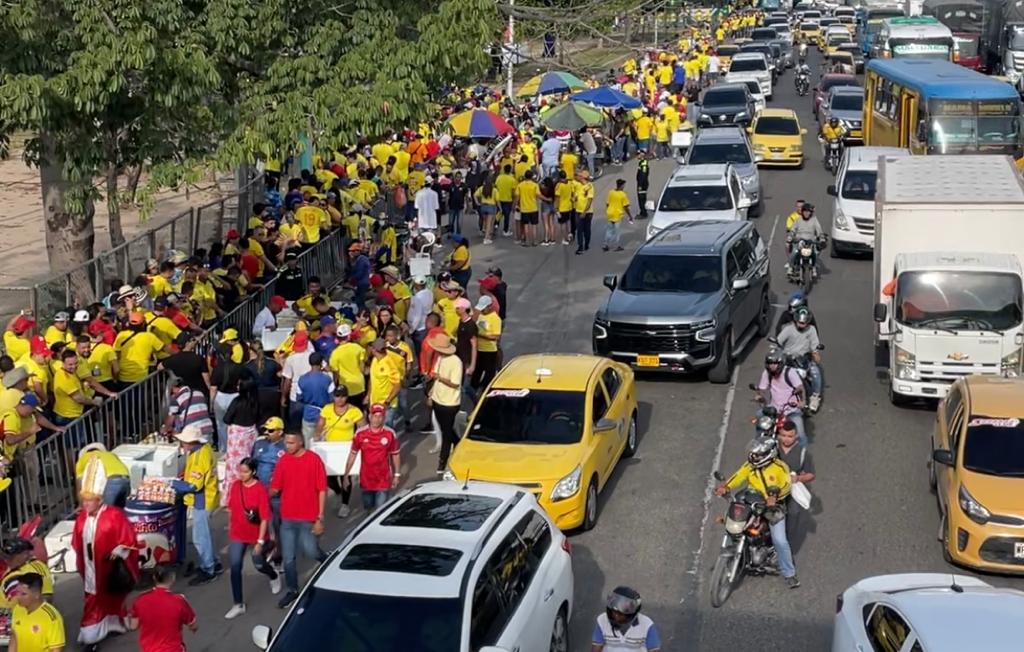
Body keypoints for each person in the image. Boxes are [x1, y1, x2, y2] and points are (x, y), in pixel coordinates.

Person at [71, 456, 140, 651]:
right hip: (91, 567)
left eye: (89, 501)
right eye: (83, 501)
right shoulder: (81, 518)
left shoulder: (114, 515)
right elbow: (77, 541)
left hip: (108, 568)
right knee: (93, 598)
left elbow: (129, 540)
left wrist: (118, 553)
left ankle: (95, 634)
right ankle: (92, 633)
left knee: (110, 597)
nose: (85, 505)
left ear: (99, 499)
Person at [715, 437, 800, 588]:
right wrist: (726, 487)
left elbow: (787, 486)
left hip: (773, 507)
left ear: (769, 454)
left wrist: (775, 497)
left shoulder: (780, 467)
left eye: (758, 454)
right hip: (752, 500)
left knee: (780, 540)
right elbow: (739, 475)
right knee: (734, 522)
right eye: (754, 453)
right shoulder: (750, 465)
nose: (754, 457)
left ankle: (789, 573)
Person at [269, 432, 327, 608]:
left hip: (308, 517)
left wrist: (320, 518)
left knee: (311, 551)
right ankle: (293, 590)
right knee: (288, 558)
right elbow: (276, 487)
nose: (287, 446)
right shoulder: (284, 461)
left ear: (301, 442)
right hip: (288, 517)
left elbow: (322, 489)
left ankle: (327, 561)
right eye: (286, 442)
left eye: (291, 442)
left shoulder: (313, 460)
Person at [224, 457, 281, 619]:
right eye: (240, 471)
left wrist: (260, 541)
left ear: (253, 472)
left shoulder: (260, 490)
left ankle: (273, 575)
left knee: (259, 564)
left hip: (256, 535)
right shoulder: (235, 486)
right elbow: (231, 509)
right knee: (235, 568)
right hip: (237, 534)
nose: (241, 475)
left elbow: (264, 518)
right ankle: (238, 604)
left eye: (245, 471)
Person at [170, 425, 221, 585]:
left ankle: (208, 569)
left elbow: (194, 486)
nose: (182, 444)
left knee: (200, 537)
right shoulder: (201, 450)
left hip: (202, 499)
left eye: (184, 441)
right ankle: (213, 562)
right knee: (206, 534)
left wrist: (173, 484)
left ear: (191, 442)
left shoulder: (200, 456)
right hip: (207, 497)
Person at [315, 386, 364, 518]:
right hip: (330, 448)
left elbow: (362, 427)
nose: (340, 399)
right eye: (337, 396)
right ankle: (338, 492)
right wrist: (318, 435)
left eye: (342, 396)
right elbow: (320, 424)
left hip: (346, 448)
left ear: (347, 397)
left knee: (345, 477)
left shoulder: (354, 411)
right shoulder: (327, 409)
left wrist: (359, 440)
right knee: (327, 477)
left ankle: (345, 504)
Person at [341, 404, 400, 512]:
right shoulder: (360, 434)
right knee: (368, 507)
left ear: (384, 418)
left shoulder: (390, 434)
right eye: (374, 416)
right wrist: (346, 475)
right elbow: (352, 454)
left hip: (383, 479)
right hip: (366, 479)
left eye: (380, 416)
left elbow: (395, 454)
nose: (377, 419)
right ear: (369, 417)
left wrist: (396, 475)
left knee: (380, 510)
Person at [126, 565, 197, 652]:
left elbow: (133, 626)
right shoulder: (178, 600)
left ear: (154, 578)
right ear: (173, 577)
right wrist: (193, 628)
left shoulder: (139, 601)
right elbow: (192, 623)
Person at [427, 333, 463, 475]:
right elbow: (435, 377)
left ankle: (442, 462)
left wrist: (440, 378)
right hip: (438, 399)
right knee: (445, 428)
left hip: (450, 402)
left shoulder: (456, 362)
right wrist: (431, 394)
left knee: (446, 433)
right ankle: (459, 444)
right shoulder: (441, 358)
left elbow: (455, 383)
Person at [222, 380, 263, 505]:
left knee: (232, 467)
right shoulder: (256, 403)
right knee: (246, 462)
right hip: (249, 434)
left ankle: (230, 497)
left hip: (236, 437)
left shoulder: (237, 401)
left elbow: (226, 418)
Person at [776, 308, 824, 412]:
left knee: (816, 372)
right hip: (787, 358)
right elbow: (778, 342)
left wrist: (816, 354)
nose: (802, 324)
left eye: (804, 323)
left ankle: (815, 397)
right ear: (796, 320)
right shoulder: (788, 329)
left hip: (804, 359)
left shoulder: (811, 330)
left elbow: (814, 346)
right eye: (800, 322)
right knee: (775, 371)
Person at [755, 349, 807, 445]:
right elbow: (762, 389)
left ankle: (802, 455)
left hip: (791, 410)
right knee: (759, 418)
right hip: (774, 410)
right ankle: (758, 445)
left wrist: (802, 402)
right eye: (770, 363)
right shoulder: (766, 373)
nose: (772, 366)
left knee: (800, 435)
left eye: (775, 363)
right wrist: (760, 396)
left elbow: (800, 387)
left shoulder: (790, 372)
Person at [5, 573, 65, 652]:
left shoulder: (51, 617)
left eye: (23, 594)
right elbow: (14, 637)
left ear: (37, 594)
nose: (18, 597)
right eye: (17, 592)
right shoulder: (17, 609)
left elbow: (56, 649)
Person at [592, 586, 662, 652]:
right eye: (614, 611)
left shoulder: (647, 624)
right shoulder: (602, 620)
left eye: (621, 613)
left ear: (632, 612)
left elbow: (654, 650)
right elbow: (596, 648)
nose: (616, 615)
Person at [471, 296, 502, 393]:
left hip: (489, 350)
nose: (483, 310)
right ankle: (473, 387)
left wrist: (481, 335)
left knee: (489, 372)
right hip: (478, 348)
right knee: (477, 370)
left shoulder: (495, 319)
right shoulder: (479, 314)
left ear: (490, 306)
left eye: (484, 308)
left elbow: (496, 336)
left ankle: (486, 389)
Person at [786, 203, 825, 276]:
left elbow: (819, 230)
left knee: (816, 252)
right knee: (794, 252)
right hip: (800, 241)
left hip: (811, 241)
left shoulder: (814, 220)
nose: (806, 213)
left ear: (811, 213)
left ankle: (813, 266)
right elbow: (793, 230)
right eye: (805, 211)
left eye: (808, 212)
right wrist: (790, 237)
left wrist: (822, 239)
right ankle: (791, 267)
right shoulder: (798, 220)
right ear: (802, 212)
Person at [603, 178, 633, 252]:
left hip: (610, 213)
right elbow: (626, 207)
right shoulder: (623, 195)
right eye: (624, 185)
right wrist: (630, 216)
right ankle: (617, 246)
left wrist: (609, 210)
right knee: (617, 231)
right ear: (622, 186)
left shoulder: (611, 192)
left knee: (609, 230)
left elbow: (607, 203)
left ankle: (606, 245)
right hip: (618, 215)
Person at [574, 171, 595, 255]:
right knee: (579, 230)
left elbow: (589, 200)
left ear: (583, 177)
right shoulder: (578, 185)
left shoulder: (590, 187)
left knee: (586, 229)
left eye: (579, 176)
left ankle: (586, 243)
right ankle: (580, 247)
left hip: (587, 212)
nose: (577, 177)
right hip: (578, 210)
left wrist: (584, 212)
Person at [635, 154, 650, 218]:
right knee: (641, 198)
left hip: (642, 184)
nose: (637, 156)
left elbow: (643, 175)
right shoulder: (641, 162)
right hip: (642, 183)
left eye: (638, 155)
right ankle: (642, 211)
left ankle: (643, 213)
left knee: (641, 199)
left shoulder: (643, 164)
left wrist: (640, 185)